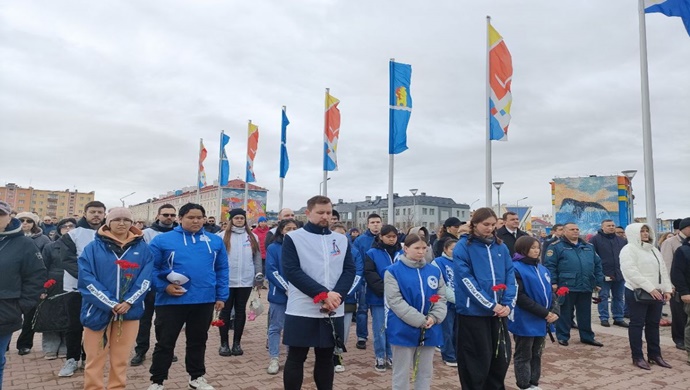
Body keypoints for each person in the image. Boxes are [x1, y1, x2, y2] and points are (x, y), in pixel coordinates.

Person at [147, 203, 229, 390]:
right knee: (165, 342)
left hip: (204, 299)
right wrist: (164, 287)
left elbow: (222, 269)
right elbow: (150, 269)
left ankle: (196, 377)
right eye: (191, 217)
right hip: (171, 301)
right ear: (180, 218)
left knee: (198, 341)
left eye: (199, 217)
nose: (196, 221)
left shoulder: (214, 241)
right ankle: (157, 381)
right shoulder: (162, 241)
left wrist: (221, 296)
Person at [281, 196, 355, 390]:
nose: (326, 216)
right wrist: (323, 294)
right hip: (302, 308)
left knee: (326, 357)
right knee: (296, 357)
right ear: (308, 213)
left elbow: (349, 270)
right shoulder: (294, 238)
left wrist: (337, 295)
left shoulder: (340, 239)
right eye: (320, 212)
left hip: (333, 307)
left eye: (329, 212)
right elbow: (292, 270)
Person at [78, 207, 154, 389]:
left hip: (129, 312)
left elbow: (146, 279)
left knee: (120, 360)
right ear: (108, 222)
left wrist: (128, 301)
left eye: (126, 219)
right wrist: (110, 303)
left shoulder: (143, 249)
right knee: (94, 359)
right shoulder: (92, 248)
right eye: (117, 219)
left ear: (132, 223)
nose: (122, 223)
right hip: (97, 311)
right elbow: (86, 279)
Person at [453, 207, 516, 390]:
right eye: (485, 224)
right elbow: (466, 279)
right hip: (473, 314)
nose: (489, 228)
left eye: (493, 225)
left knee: (500, 360)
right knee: (476, 363)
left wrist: (507, 304)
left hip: (498, 313)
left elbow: (510, 274)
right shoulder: (464, 246)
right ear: (474, 224)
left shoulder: (500, 246)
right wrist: (490, 304)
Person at [385, 233, 447, 390]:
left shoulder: (433, 271)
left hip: (429, 328)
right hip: (403, 328)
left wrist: (434, 317)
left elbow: (441, 296)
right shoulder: (393, 271)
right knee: (402, 373)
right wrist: (419, 320)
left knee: (425, 371)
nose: (421, 251)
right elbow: (395, 301)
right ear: (406, 248)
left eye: (424, 248)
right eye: (417, 248)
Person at [58, 200, 106, 377]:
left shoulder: (108, 233)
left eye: (100, 212)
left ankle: (88, 357)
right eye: (92, 212)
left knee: (95, 325)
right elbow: (67, 260)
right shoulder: (73, 234)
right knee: (74, 325)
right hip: (75, 287)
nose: (96, 215)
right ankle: (71, 358)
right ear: (85, 213)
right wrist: (88, 279)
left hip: (101, 289)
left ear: (104, 214)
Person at [0, 201, 45, 387]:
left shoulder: (24, 243)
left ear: (9, 217)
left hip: (4, 311)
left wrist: (21, 305)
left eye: (1, 214)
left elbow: (36, 277)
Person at [620, 223, 673, 369]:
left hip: (656, 293)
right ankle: (637, 356)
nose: (645, 234)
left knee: (653, 324)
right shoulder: (628, 249)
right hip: (637, 292)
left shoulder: (654, 250)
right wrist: (649, 288)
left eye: (646, 231)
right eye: (641, 231)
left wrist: (667, 289)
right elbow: (630, 272)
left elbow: (662, 270)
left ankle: (655, 355)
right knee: (637, 324)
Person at [508, 236, 559, 390]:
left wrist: (555, 311)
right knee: (524, 354)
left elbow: (551, 292)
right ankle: (524, 384)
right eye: (532, 248)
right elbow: (520, 297)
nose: (536, 251)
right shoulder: (515, 268)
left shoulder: (542, 269)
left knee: (537, 353)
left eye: (538, 247)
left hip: (542, 319)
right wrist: (544, 312)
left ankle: (534, 383)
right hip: (526, 319)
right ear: (523, 249)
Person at [132, 204, 179, 366]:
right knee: (144, 319)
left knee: (164, 321)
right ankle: (140, 350)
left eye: (172, 215)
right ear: (158, 216)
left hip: (168, 283)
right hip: (147, 283)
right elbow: (138, 256)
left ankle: (165, 349)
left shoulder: (179, 234)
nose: (169, 218)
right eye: (166, 214)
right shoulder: (146, 234)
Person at [545, 222, 604, 347]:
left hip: (586, 285)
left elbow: (598, 264)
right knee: (565, 313)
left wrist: (598, 281)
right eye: (572, 229)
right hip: (566, 285)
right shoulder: (556, 246)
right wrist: (553, 282)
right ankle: (563, 336)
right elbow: (550, 265)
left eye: (577, 229)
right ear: (564, 231)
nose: (575, 231)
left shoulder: (588, 246)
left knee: (585, 313)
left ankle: (587, 337)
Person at [217, 208, 263, 357]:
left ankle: (237, 343)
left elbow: (257, 257)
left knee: (240, 311)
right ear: (231, 220)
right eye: (236, 218)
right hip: (227, 281)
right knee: (225, 311)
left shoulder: (252, 236)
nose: (239, 220)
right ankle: (224, 343)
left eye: (241, 218)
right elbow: (216, 259)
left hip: (245, 280)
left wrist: (258, 275)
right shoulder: (222, 236)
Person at [364, 225, 402, 371]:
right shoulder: (372, 253)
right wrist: (385, 290)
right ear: (381, 236)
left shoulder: (401, 253)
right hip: (378, 297)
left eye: (394, 236)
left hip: (398, 298)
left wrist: (397, 292)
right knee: (380, 328)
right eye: (388, 236)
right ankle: (380, 356)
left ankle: (391, 355)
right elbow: (370, 273)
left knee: (393, 327)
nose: (392, 239)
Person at [14, 212, 52, 355]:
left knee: (30, 315)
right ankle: (4, 343)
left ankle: (24, 344)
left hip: (32, 283)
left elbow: (47, 263)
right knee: (7, 314)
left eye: (29, 220)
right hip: (13, 281)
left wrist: (44, 286)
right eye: (21, 220)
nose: (25, 223)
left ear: (34, 223)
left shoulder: (43, 240)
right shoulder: (9, 238)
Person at [265, 219, 300, 375]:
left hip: (299, 295)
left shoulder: (302, 247)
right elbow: (272, 270)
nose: (291, 231)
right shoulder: (273, 248)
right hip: (279, 294)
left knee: (292, 328)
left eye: (294, 228)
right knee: (275, 327)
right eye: (288, 228)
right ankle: (274, 357)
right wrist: (286, 288)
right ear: (281, 230)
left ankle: (291, 358)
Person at [40, 217, 77, 360]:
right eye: (64, 226)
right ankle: (50, 347)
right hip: (53, 283)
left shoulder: (79, 246)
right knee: (51, 315)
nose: (68, 229)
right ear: (59, 229)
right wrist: (43, 288)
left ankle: (65, 346)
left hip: (72, 283)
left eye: (71, 226)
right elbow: (43, 267)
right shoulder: (50, 246)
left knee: (68, 315)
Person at [330, 222, 363, 373]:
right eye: (336, 234)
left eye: (343, 234)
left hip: (347, 298)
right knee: (326, 328)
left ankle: (338, 356)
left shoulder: (354, 252)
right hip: (327, 297)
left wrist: (343, 293)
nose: (340, 237)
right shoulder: (324, 251)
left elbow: (358, 273)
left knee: (343, 329)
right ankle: (326, 354)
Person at [590, 219, 628, 328]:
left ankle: (618, 317)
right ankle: (604, 317)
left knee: (619, 297)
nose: (611, 227)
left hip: (619, 274)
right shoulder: (595, 240)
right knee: (603, 296)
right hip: (603, 274)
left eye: (613, 225)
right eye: (608, 226)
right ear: (602, 227)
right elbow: (592, 257)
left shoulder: (621, 240)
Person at [352, 213, 383, 350]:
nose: (375, 224)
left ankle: (383, 334)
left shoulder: (385, 238)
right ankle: (362, 336)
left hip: (380, 280)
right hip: (365, 280)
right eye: (372, 222)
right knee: (362, 309)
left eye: (377, 222)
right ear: (368, 224)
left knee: (380, 309)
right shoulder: (360, 240)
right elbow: (357, 259)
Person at [662, 217, 690, 349]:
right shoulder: (670, 242)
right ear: (686, 228)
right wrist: (669, 286)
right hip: (676, 285)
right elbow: (667, 265)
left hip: (687, 282)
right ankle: (679, 339)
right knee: (678, 314)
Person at [432, 238, 458, 367]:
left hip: (461, 303)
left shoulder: (462, 262)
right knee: (447, 330)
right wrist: (454, 298)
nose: (455, 252)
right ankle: (449, 355)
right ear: (445, 249)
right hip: (447, 302)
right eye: (452, 249)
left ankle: (457, 354)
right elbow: (440, 283)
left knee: (459, 330)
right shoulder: (438, 262)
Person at [671, 218, 690, 364]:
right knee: (687, 322)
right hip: (687, 291)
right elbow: (676, 272)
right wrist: (683, 292)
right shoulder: (682, 250)